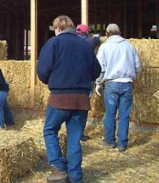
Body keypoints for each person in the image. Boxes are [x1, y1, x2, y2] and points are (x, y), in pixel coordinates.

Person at [37, 15, 101, 183]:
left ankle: (58, 169)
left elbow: (43, 70)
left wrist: (52, 81)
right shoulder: (86, 45)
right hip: (81, 99)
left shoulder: (53, 43)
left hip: (60, 97)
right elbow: (96, 71)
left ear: (58, 28)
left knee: (50, 131)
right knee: (74, 138)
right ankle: (75, 175)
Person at [95, 23, 141, 153]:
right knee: (124, 115)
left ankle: (109, 141)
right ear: (119, 32)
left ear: (107, 33)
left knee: (110, 114)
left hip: (111, 84)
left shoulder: (104, 47)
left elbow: (100, 68)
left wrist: (98, 83)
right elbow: (137, 66)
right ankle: (122, 144)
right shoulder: (129, 46)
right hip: (127, 83)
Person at [76, 23, 101, 141]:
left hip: (72, 81)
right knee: (83, 108)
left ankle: (72, 133)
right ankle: (79, 133)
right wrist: (97, 36)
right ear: (86, 33)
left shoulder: (71, 42)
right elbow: (97, 40)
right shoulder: (89, 42)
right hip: (86, 80)